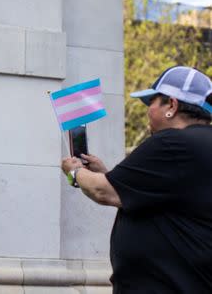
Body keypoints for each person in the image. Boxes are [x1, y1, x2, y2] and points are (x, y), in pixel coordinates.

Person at [61, 66, 212, 293]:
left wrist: (74, 172)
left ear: (171, 105)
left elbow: (103, 192)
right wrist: (108, 175)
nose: (148, 111)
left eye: (152, 102)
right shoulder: (198, 147)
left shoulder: (172, 143)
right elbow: (161, 196)